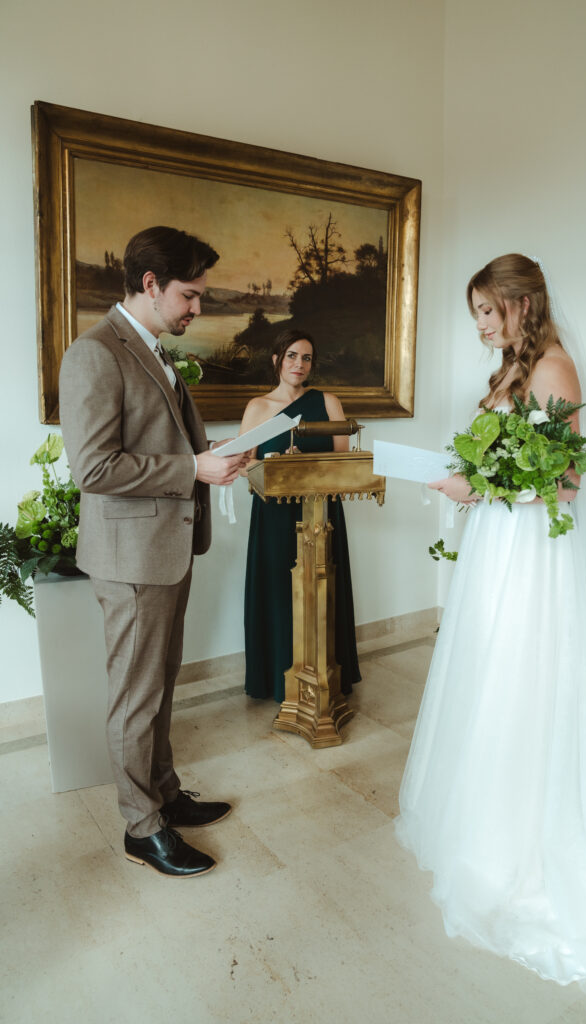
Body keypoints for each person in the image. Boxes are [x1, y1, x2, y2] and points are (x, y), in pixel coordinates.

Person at [395, 254, 586, 1022]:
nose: (483, 328)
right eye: (477, 316)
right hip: (499, 548)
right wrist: (462, 474)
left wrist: (476, 485)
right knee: (493, 678)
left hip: (537, 559)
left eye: (489, 313)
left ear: (524, 304)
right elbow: (499, 463)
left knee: (533, 679)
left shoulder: (554, 369)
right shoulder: (506, 374)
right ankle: (491, 827)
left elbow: (563, 485)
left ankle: (541, 844)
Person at [59, 226, 248, 878]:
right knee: (136, 699)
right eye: (189, 295)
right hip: (131, 558)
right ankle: (142, 829)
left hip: (164, 549)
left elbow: (161, 441)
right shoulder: (94, 353)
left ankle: (164, 795)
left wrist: (211, 457)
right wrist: (192, 469)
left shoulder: (152, 348)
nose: (197, 309)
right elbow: (94, 468)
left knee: (160, 686)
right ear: (149, 285)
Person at [239, 329, 361, 702]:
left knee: (324, 589)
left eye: (306, 358)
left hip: (322, 511)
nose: (299, 364)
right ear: (277, 359)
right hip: (275, 514)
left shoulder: (327, 401)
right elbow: (246, 463)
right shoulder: (259, 407)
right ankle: (278, 680)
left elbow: (342, 459)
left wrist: (309, 466)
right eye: (291, 355)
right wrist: (276, 467)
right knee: (280, 593)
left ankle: (328, 674)